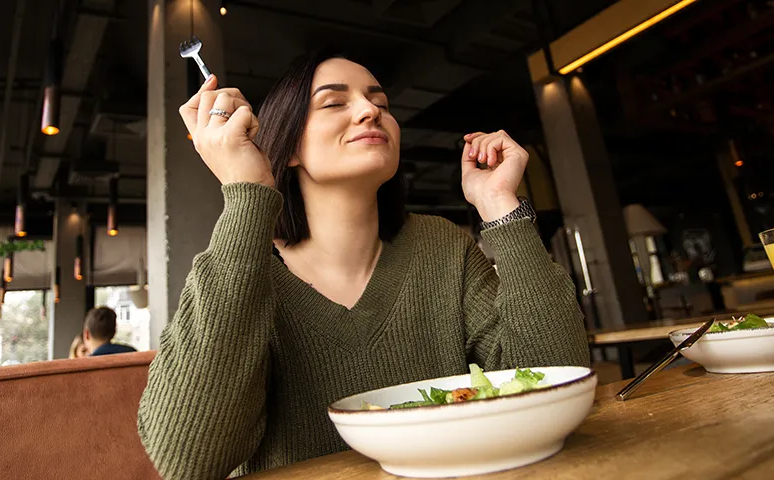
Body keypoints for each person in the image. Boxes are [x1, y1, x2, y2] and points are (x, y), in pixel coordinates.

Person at [138, 51, 589, 479]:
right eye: (334, 101)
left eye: (380, 102)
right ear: (287, 145)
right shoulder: (244, 273)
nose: (370, 111)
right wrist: (246, 193)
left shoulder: (443, 247)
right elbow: (187, 461)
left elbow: (552, 390)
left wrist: (500, 209)